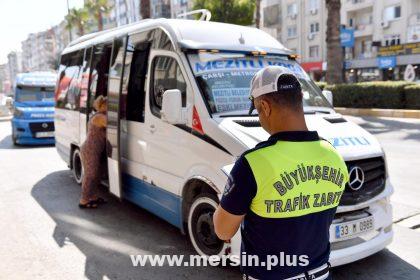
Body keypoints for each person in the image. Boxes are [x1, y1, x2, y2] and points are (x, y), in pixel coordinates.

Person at [213, 66, 349, 280]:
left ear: (265, 107)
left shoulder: (252, 163)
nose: (260, 117)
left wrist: (229, 197)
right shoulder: (334, 155)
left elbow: (223, 231)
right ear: (299, 100)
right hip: (321, 274)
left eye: (257, 111)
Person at [79, 95, 108, 209]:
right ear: (103, 105)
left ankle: (93, 197)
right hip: (90, 150)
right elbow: (114, 126)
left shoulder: (99, 115)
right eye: (108, 104)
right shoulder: (100, 117)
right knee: (90, 175)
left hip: (95, 149)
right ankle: (84, 200)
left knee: (96, 175)